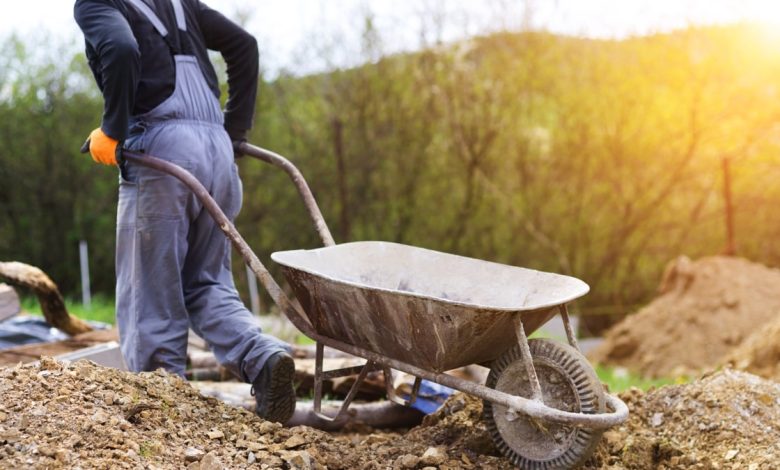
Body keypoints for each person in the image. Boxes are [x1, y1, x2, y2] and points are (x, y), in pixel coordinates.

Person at [74, 0, 296, 423]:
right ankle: (263, 357)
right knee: (207, 281)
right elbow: (244, 45)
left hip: (163, 150)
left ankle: (162, 414)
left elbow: (121, 48)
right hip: (217, 155)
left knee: (149, 293)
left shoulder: (95, 4)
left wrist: (112, 129)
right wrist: (234, 132)